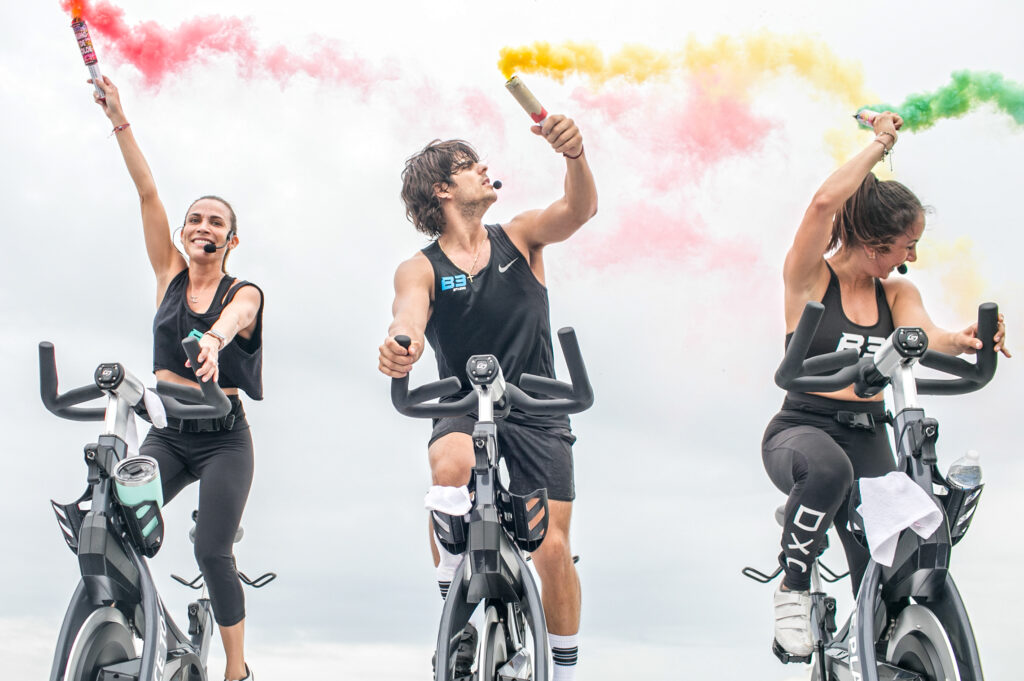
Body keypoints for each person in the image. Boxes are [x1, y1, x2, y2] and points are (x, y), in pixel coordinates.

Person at [762, 110, 1010, 657]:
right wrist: (880, 144)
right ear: (875, 241)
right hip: (804, 428)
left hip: (871, 433)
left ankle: (878, 650)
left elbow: (924, 334)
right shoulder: (810, 277)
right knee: (829, 471)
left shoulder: (894, 294)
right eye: (907, 244)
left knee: (891, 561)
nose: (912, 257)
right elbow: (824, 205)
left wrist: (965, 341)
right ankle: (794, 586)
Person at [378, 114, 597, 681]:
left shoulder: (520, 236)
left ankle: (565, 669)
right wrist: (402, 344)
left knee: (551, 546)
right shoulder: (420, 266)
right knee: (447, 465)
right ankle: (455, 605)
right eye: (467, 165)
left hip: (537, 405)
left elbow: (578, 212)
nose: (484, 168)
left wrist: (574, 156)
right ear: (442, 190)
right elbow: (409, 313)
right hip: (463, 401)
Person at [92, 76, 264, 681]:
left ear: (230, 239)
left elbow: (240, 316)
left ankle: (237, 669)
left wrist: (214, 339)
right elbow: (146, 193)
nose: (202, 227)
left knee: (210, 551)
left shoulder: (243, 291)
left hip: (223, 437)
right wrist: (119, 119)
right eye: (195, 219)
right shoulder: (168, 271)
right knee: (112, 520)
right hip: (167, 432)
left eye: (216, 222)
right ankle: (139, 630)